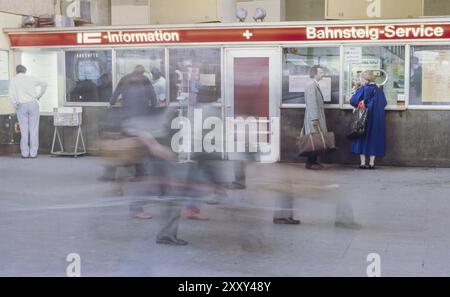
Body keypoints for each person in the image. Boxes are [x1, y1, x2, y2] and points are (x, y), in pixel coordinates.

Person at [350, 70, 387, 169]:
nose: (361, 80)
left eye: (362, 78)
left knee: (362, 138)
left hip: (364, 118)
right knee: (374, 139)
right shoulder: (379, 89)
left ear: (366, 79)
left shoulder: (363, 89)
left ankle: (362, 163)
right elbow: (384, 103)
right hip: (377, 119)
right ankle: (371, 163)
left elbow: (353, 101)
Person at [8, 65, 47, 159]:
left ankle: (25, 153)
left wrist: (15, 104)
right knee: (34, 129)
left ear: (16, 71)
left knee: (24, 130)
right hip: (33, 104)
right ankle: (33, 153)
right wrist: (39, 96)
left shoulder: (13, 80)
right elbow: (45, 83)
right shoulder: (30, 78)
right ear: (25, 71)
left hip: (21, 105)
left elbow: (11, 95)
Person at [304, 65, 328, 170]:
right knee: (313, 139)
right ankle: (310, 163)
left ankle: (314, 162)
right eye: (321, 72)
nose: (323, 74)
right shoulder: (311, 85)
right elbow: (312, 103)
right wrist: (314, 119)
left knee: (316, 139)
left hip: (316, 117)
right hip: (313, 118)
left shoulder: (314, 85)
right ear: (315, 74)